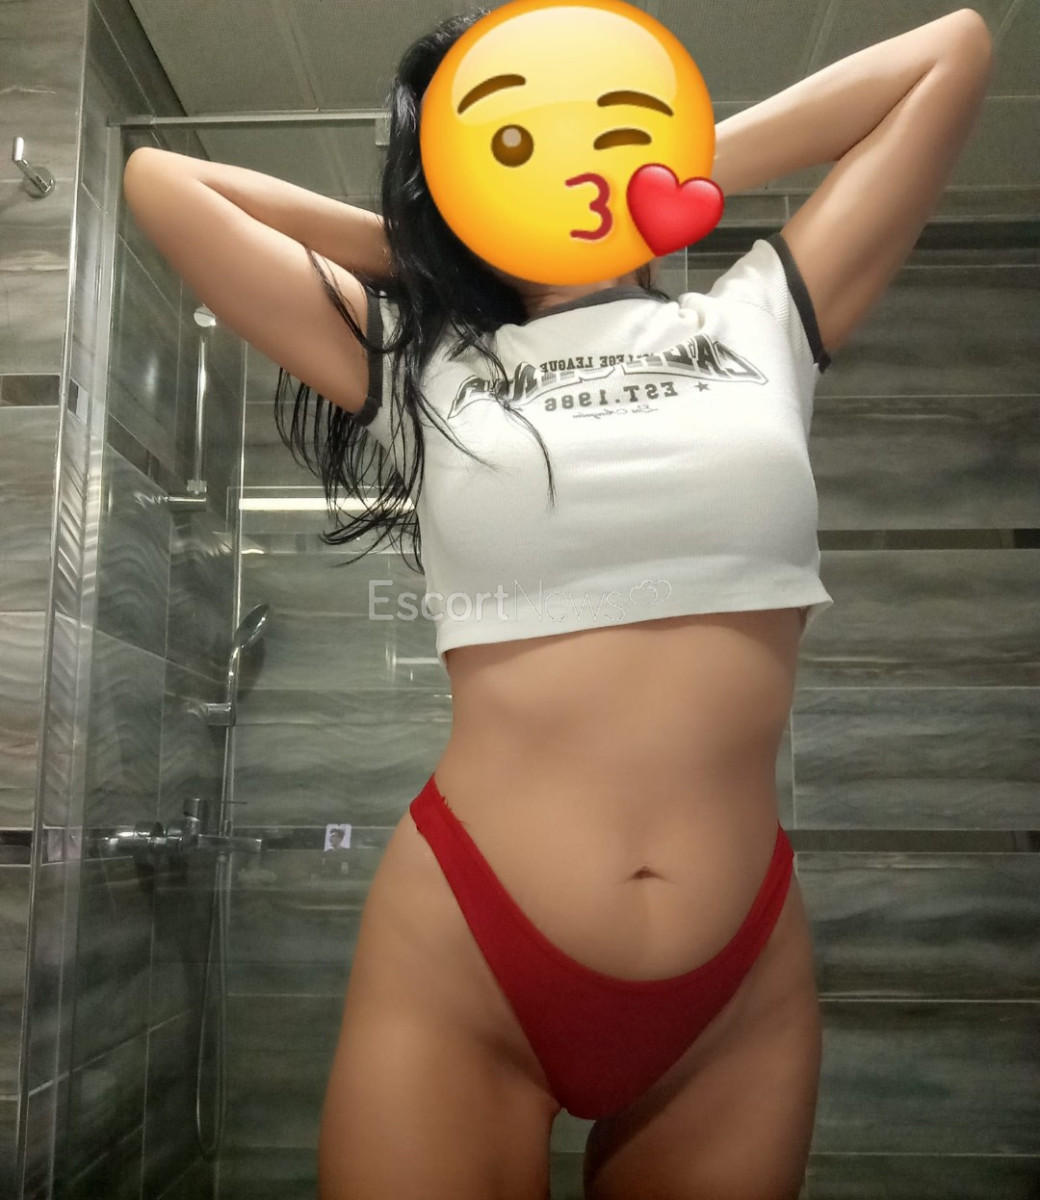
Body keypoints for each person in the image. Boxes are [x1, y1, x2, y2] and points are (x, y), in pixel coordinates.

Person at [121, 6, 993, 1197]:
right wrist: (440, 236)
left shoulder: (760, 316)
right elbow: (162, 184)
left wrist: (664, 177)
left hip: (734, 983)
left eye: (604, 128)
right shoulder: (419, 365)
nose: (571, 164)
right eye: (517, 144)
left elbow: (950, 52)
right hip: (467, 955)